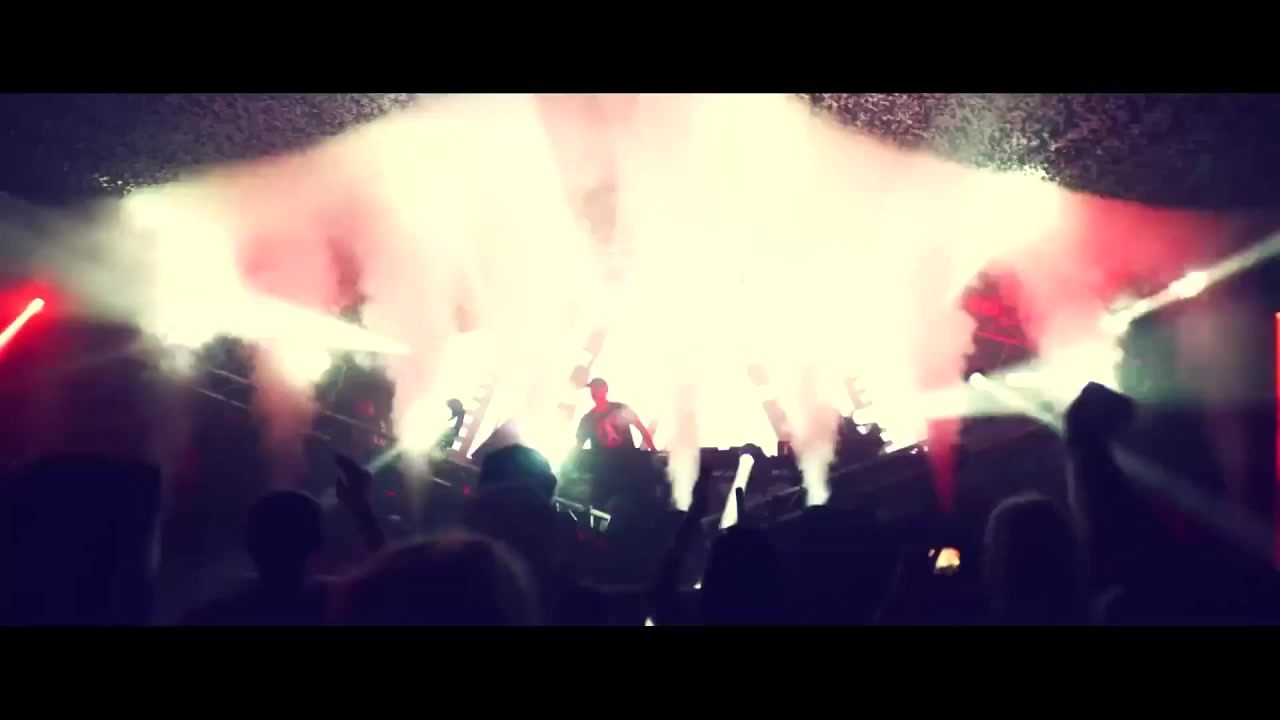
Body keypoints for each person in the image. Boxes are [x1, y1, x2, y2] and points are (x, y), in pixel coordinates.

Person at [575, 378, 655, 451]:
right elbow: (579, 445)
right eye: (592, 389)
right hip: (603, 461)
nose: (594, 391)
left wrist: (653, 450)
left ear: (605, 389)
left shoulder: (621, 409)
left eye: (597, 388)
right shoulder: (587, 419)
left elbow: (641, 428)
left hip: (627, 459)